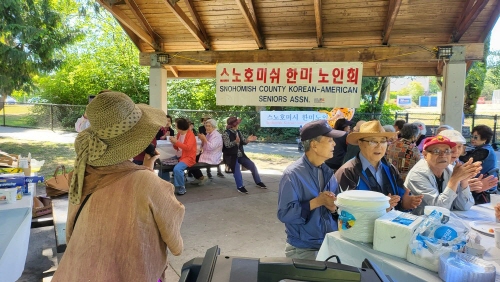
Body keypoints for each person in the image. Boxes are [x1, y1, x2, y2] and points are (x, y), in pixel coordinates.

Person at [52, 91, 184, 281]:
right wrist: (146, 173)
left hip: (73, 273)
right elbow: (175, 244)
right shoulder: (146, 182)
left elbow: (71, 234)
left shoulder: (81, 175)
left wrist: (144, 171)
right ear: (136, 140)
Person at [277, 120, 344, 260]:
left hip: (328, 243)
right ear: (314, 145)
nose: (335, 144)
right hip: (303, 249)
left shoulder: (327, 172)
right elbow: (285, 214)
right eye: (330, 140)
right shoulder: (293, 174)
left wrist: (332, 207)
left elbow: (336, 210)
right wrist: (317, 202)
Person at [335, 120, 423, 212]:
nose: (379, 146)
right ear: (360, 143)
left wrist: (405, 204)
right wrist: (381, 209)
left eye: (383, 141)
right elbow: (345, 213)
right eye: (373, 141)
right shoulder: (348, 171)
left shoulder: (390, 168)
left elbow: (399, 199)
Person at [405, 135, 480, 215]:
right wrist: (454, 180)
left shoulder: (451, 169)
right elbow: (438, 210)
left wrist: (464, 181)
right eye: (436, 151)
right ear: (425, 155)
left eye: (447, 151)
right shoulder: (417, 174)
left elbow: (464, 206)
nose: (443, 155)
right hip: (419, 223)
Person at [440, 129, 498, 203]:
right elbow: (440, 200)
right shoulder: (436, 166)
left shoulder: (484, 150)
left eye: (459, 147)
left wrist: (467, 187)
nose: (456, 151)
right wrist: (464, 187)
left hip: (483, 189)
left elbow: (462, 204)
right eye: (451, 147)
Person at [222, 116, 266, 194]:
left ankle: (258, 182)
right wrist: (235, 141)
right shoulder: (226, 133)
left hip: (240, 155)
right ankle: (240, 187)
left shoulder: (238, 131)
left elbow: (243, 142)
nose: (239, 124)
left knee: (252, 165)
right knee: (237, 170)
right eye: (238, 123)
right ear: (234, 124)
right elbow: (227, 145)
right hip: (231, 156)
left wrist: (248, 140)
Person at [190, 119, 223, 185]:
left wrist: (204, 139)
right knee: (190, 158)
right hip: (207, 153)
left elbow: (211, 147)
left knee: (191, 160)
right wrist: (202, 140)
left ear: (213, 127)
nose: (207, 127)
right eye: (206, 126)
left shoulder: (216, 135)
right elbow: (204, 146)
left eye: (209, 126)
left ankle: (200, 177)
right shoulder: (209, 134)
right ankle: (199, 177)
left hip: (213, 156)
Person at [170, 118, 197, 195]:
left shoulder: (190, 135)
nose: (175, 127)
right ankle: (166, 184)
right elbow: (177, 147)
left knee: (177, 169)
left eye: (176, 125)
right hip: (179, 156)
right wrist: (173, 142)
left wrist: (176, 142)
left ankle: (181, 187)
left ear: (180, 127)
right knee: (162, 164)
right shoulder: (179, 134)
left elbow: (188, 148)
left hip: (188, 157)